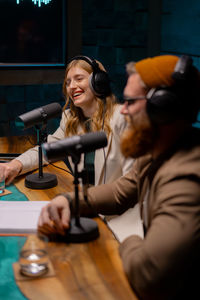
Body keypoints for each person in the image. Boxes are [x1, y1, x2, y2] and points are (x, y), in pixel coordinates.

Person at [38, 54, 200, 300]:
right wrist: (70, 201)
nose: (123, 110)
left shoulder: (185, 179)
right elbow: (121, 190)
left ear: (162, 109)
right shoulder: (160, 151)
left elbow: (150, 277)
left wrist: (129, 242)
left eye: (131, 102)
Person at [0, 56, 133, 186]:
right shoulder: (70, 119)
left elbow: (133, 181)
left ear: (98, 82)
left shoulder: (123, 118)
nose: (72, 86)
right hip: (84, 201)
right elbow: (47, 151)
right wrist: (14, 166)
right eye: (68, 82)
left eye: (79, 79)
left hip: (115, 205)